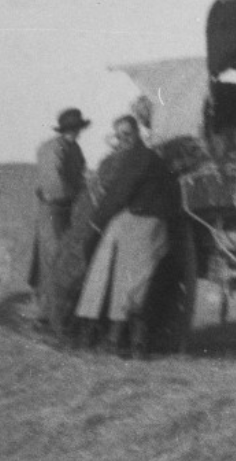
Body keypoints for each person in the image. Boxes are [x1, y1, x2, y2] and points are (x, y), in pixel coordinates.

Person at [73, 114, 179, 358]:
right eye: (119, 136)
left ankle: (110, 338)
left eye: (127, 134)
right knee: (133, 283)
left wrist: (95, 223)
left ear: (137, 133)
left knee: (112, 269)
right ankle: (128, 342)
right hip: (155, 224)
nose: (123, 139)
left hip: (142, 223)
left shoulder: (136, 159)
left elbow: (118, 194)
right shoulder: (150, 158)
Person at [28, 107, 90, 329]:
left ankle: (59, 314)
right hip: (53, 209)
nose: (75, 132)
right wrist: (78, 195)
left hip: (69, 210)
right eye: (71, 128)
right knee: (52, 259)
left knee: (64, 259)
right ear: (64, 129)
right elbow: (53, 184)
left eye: (77, 128)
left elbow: (81, 177)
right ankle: (46, 315)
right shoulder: (51, 149)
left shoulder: (75, 149)